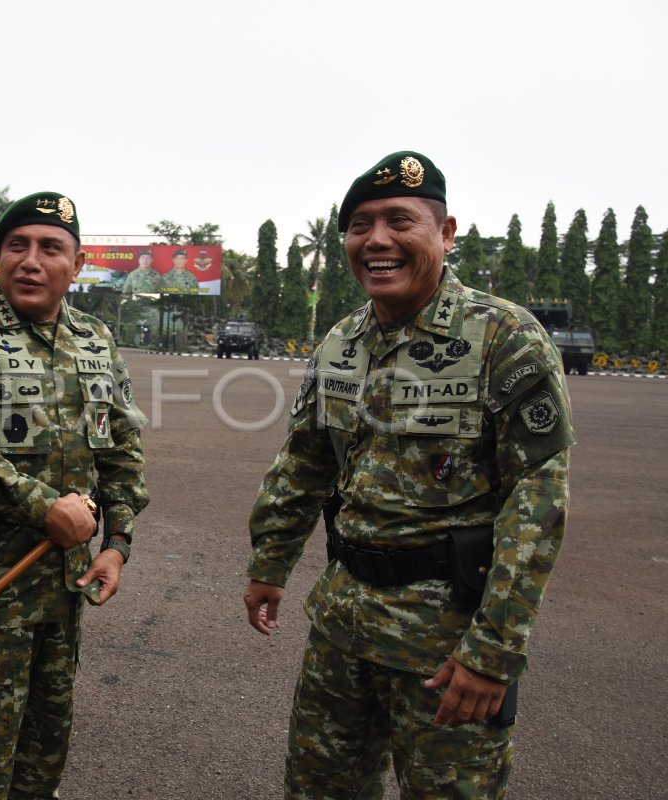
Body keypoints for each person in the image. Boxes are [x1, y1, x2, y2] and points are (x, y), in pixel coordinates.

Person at [242, 151, 574, 798]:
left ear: (446, 234)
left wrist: (494, 652)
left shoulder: (504, 338)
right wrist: (269, 563)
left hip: (447, 643)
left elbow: (539, 503)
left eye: (400, 221)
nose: (378, 241)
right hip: (342, 625)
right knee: (315, 788)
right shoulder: (340, 342)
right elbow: (304, 462)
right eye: (360, 225)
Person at [0, 191, 149, 798]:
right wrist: (44, 506)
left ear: (78, 262)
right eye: (16, 245)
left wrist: (117, 542)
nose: (31, 260)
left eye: (50, 248)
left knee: (42, 758)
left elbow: (121, 448)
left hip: (64, 591)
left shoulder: (95, 339)